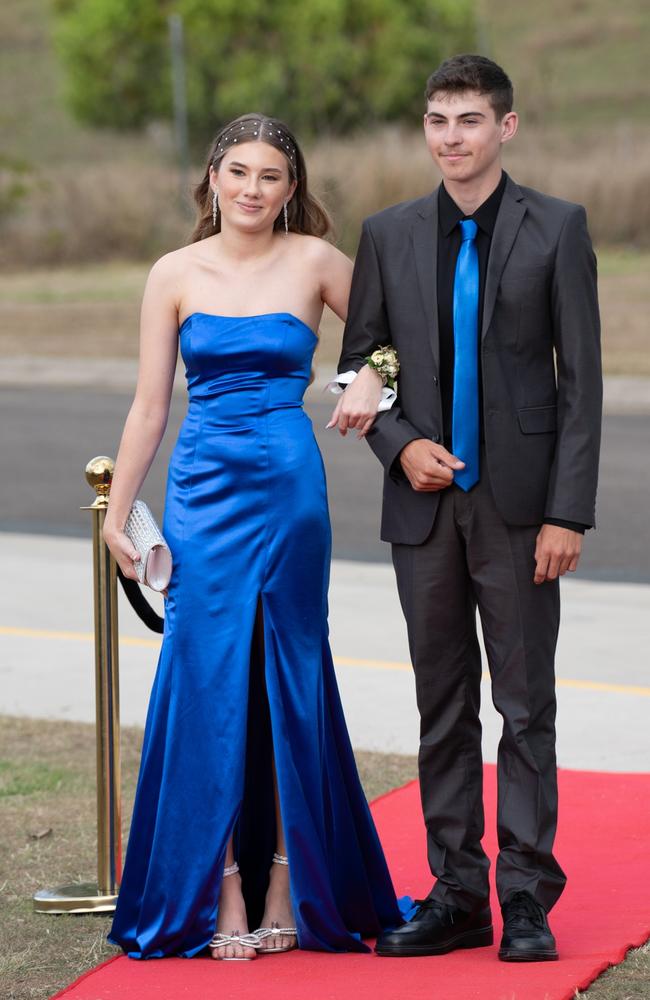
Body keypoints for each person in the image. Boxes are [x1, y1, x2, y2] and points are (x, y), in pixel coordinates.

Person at [103, 112, 401, 961]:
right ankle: (221, 884)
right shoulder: (172, 272)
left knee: (290, 674)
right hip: (202, 488)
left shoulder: (315, 262)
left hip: (290, 487)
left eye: (271, 176)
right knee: (205, 675)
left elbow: (398, 341)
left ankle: (284, 880)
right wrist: (121, 515)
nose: (252, 189)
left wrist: (368, 384)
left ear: (292, 188)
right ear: (211, 178)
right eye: (238, 172)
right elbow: (150, 407)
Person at [332, 54, 602, 962]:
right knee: (440, 702)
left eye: (471, 120)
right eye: (439, 120)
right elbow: (359, 363)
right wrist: (398, 442)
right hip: (423, 510)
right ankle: (457, 894)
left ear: (506, 127)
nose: (453, 137)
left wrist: (568, 513)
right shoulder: (388, 232)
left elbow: (581, 388)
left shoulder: (559, 229)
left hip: (524, 511)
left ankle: (525, 895)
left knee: (525, 708)